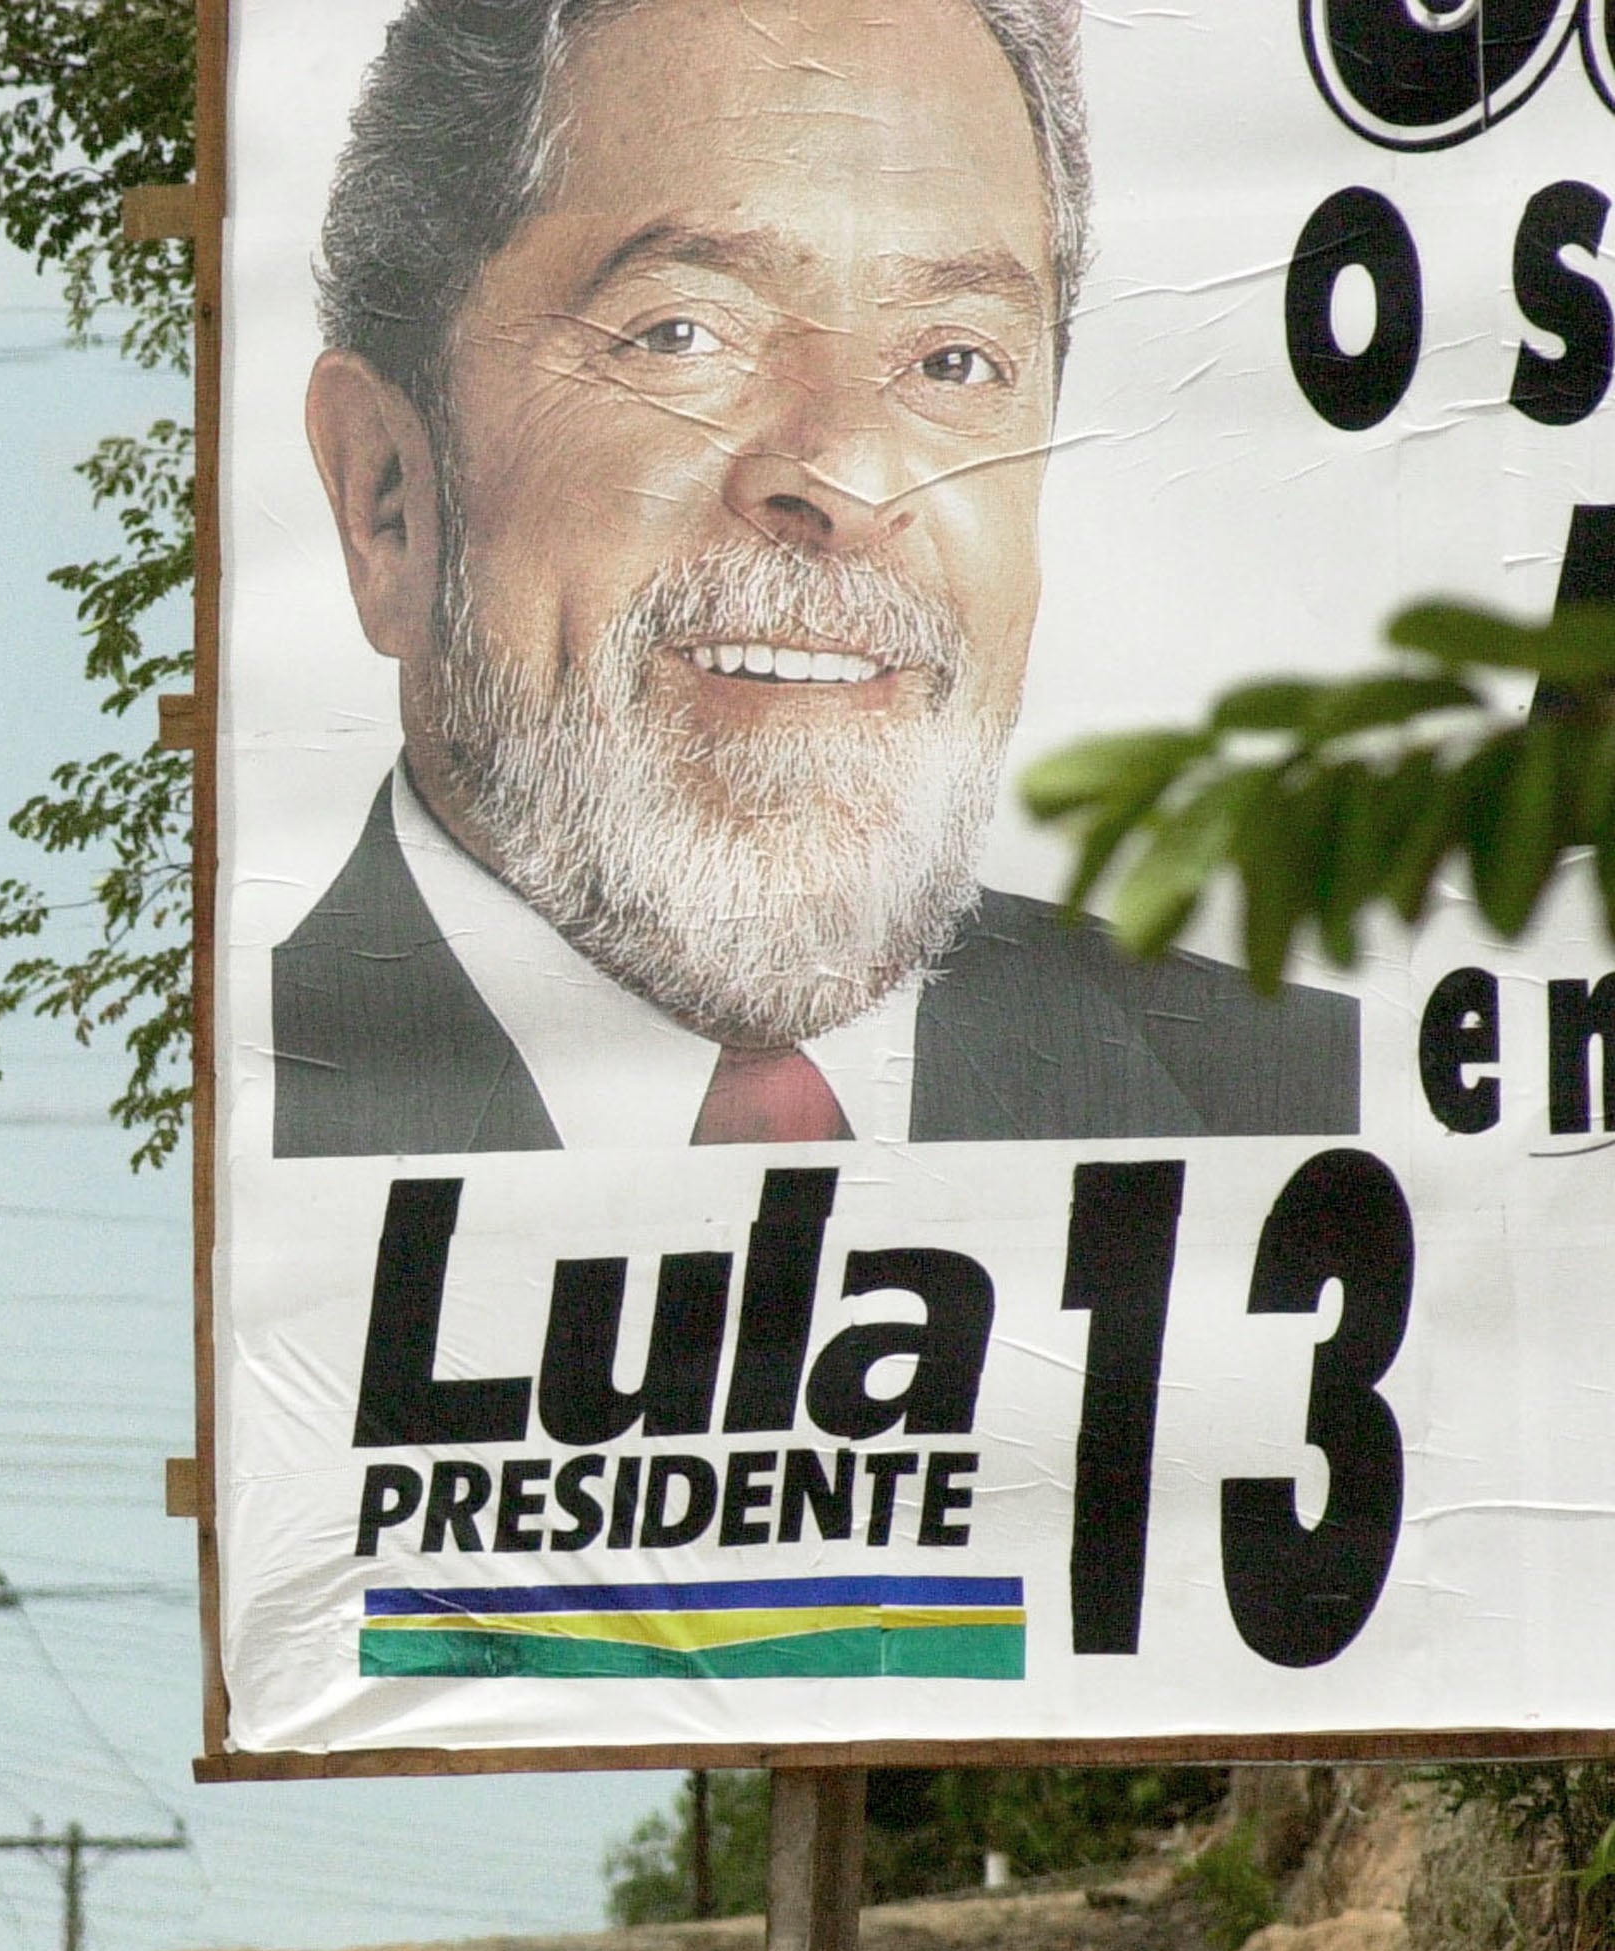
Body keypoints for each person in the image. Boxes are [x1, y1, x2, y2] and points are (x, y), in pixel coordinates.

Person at [276, 0, 1360, 1156]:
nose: (844, 473)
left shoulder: (1313, 1106)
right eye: (681, 334)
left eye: (955, 359)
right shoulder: (224, 1110)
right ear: (385, 495)